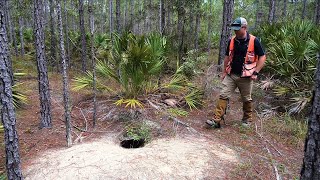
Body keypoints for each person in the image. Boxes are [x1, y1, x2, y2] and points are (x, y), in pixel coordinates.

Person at [206, 17, 267, 128]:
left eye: (237, 29)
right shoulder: (232, 40)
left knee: (246, 98)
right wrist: (224, 71)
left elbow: (262, 57)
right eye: (234, 29)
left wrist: (256, 72)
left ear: (244, 28)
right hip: (231, 75)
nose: (235, 31)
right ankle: (216, 120)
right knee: (223, 94)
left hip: (246, 77)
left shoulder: (254, 41)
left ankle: (247, 120)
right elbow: (227, 57)